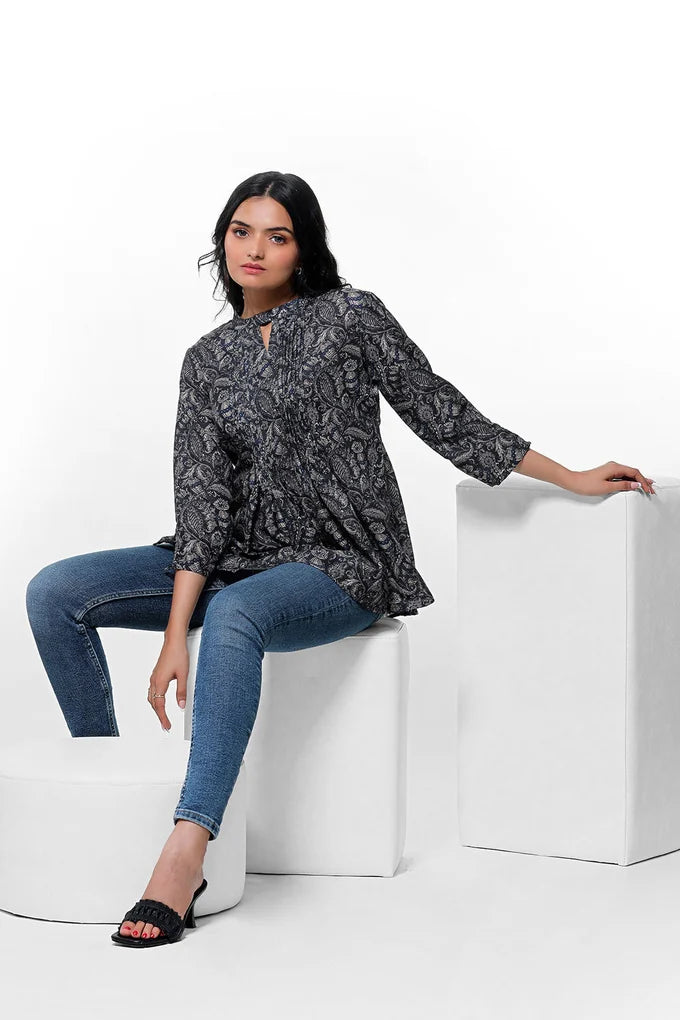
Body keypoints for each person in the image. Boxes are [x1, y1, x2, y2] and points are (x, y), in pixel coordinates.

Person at [25, 171, 655, 948]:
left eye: (278, 236)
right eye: (241, 231)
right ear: (222, 240)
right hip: (233, 555)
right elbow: (203, 501)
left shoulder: (350, 316)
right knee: (56, 592)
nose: (255, 249)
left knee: (237, 613)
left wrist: (569, 475)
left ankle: (187, 849)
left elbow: (440, 410)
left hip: (341, 560)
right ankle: (107, 783)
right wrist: (173, 633)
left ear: (304, 248)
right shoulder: (207, 360)